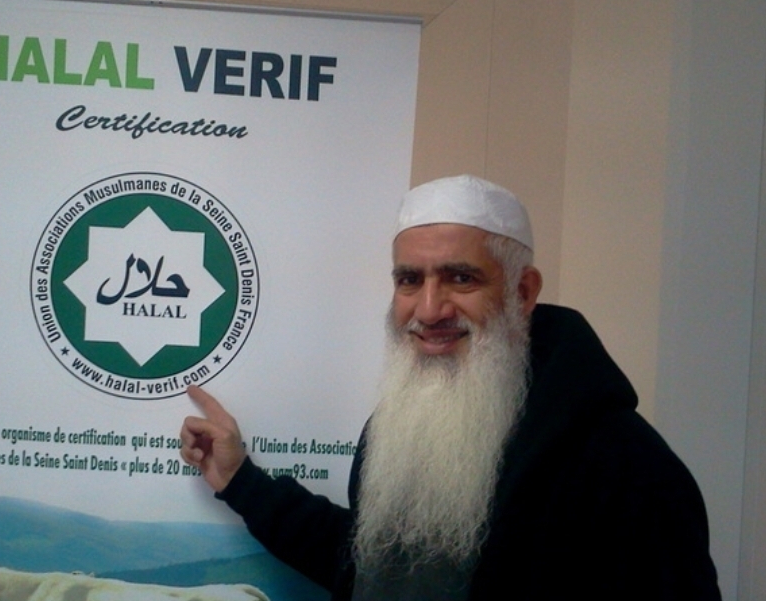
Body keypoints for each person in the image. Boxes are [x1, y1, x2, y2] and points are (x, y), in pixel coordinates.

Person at [180, 175, 721, 600]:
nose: (430, 309)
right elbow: (378, 571)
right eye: (409, 280)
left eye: (462, 278)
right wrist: (242, 481)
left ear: (523, 292)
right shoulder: (400, 427)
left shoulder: (625, 465)